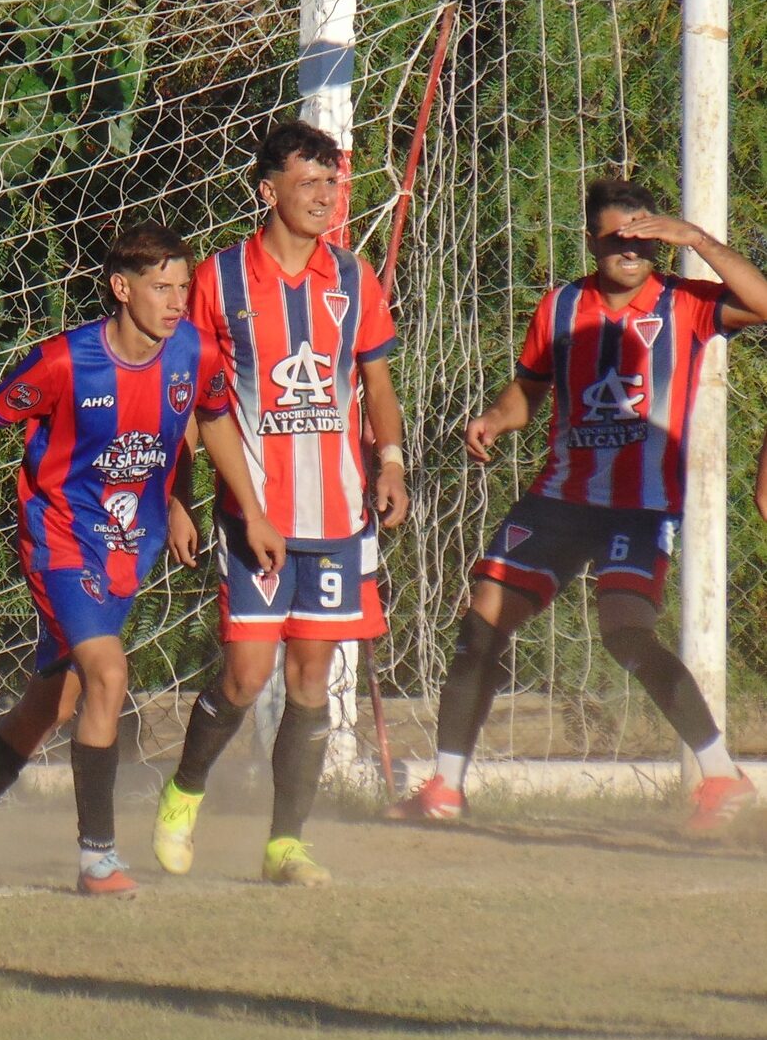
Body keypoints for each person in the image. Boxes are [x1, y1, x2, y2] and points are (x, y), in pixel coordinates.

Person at [0, 223, 284, 896]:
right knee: (109, 675)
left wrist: (229, 508)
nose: (177, 301)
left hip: (127, 545)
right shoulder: (65, 362)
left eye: (183, 287)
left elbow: (210, 421)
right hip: (59, 537)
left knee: (55, 703)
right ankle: (98, 859)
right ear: (121, 288)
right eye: (161, 287)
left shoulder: (194, 354)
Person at [388, 178, 767, 830]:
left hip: (639, 507)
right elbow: (528, 392)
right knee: (482, 622)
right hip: (560, 498)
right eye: (617, 237)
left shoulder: (686, 301)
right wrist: (495, 420)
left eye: (644, 236)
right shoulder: (561, 307)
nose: (631, 249)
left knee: (625, 631)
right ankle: (444, 789)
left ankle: (721, 776)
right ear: (592, 241)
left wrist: (697, 239)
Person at [153, 120, 409, 888]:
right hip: (252, 514)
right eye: (309, 185)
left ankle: (284, 845)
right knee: (244, 674)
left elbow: (377, 382)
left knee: (310, 679)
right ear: (268, 192)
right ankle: (181, 795)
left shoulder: (354, 279)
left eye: (333, 185)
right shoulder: (220, 280)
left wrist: (391, 461)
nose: (326, 199)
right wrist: (178, 496)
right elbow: (191, 397)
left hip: (336, 518)